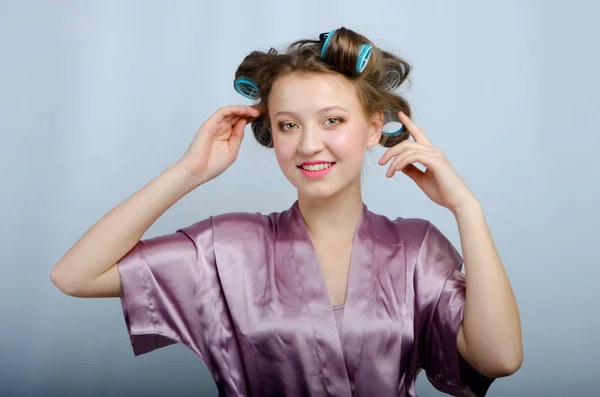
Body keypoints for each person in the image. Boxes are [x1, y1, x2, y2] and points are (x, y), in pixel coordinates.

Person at [50, 27, 523, 397]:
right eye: (288, 125)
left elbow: (498, 358)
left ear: (374, 127)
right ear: (271, 133)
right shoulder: (228, 248)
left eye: (332, 120)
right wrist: (188, 171)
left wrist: (467, 209)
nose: (308, 144)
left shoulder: (417, 248)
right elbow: (75, 276)